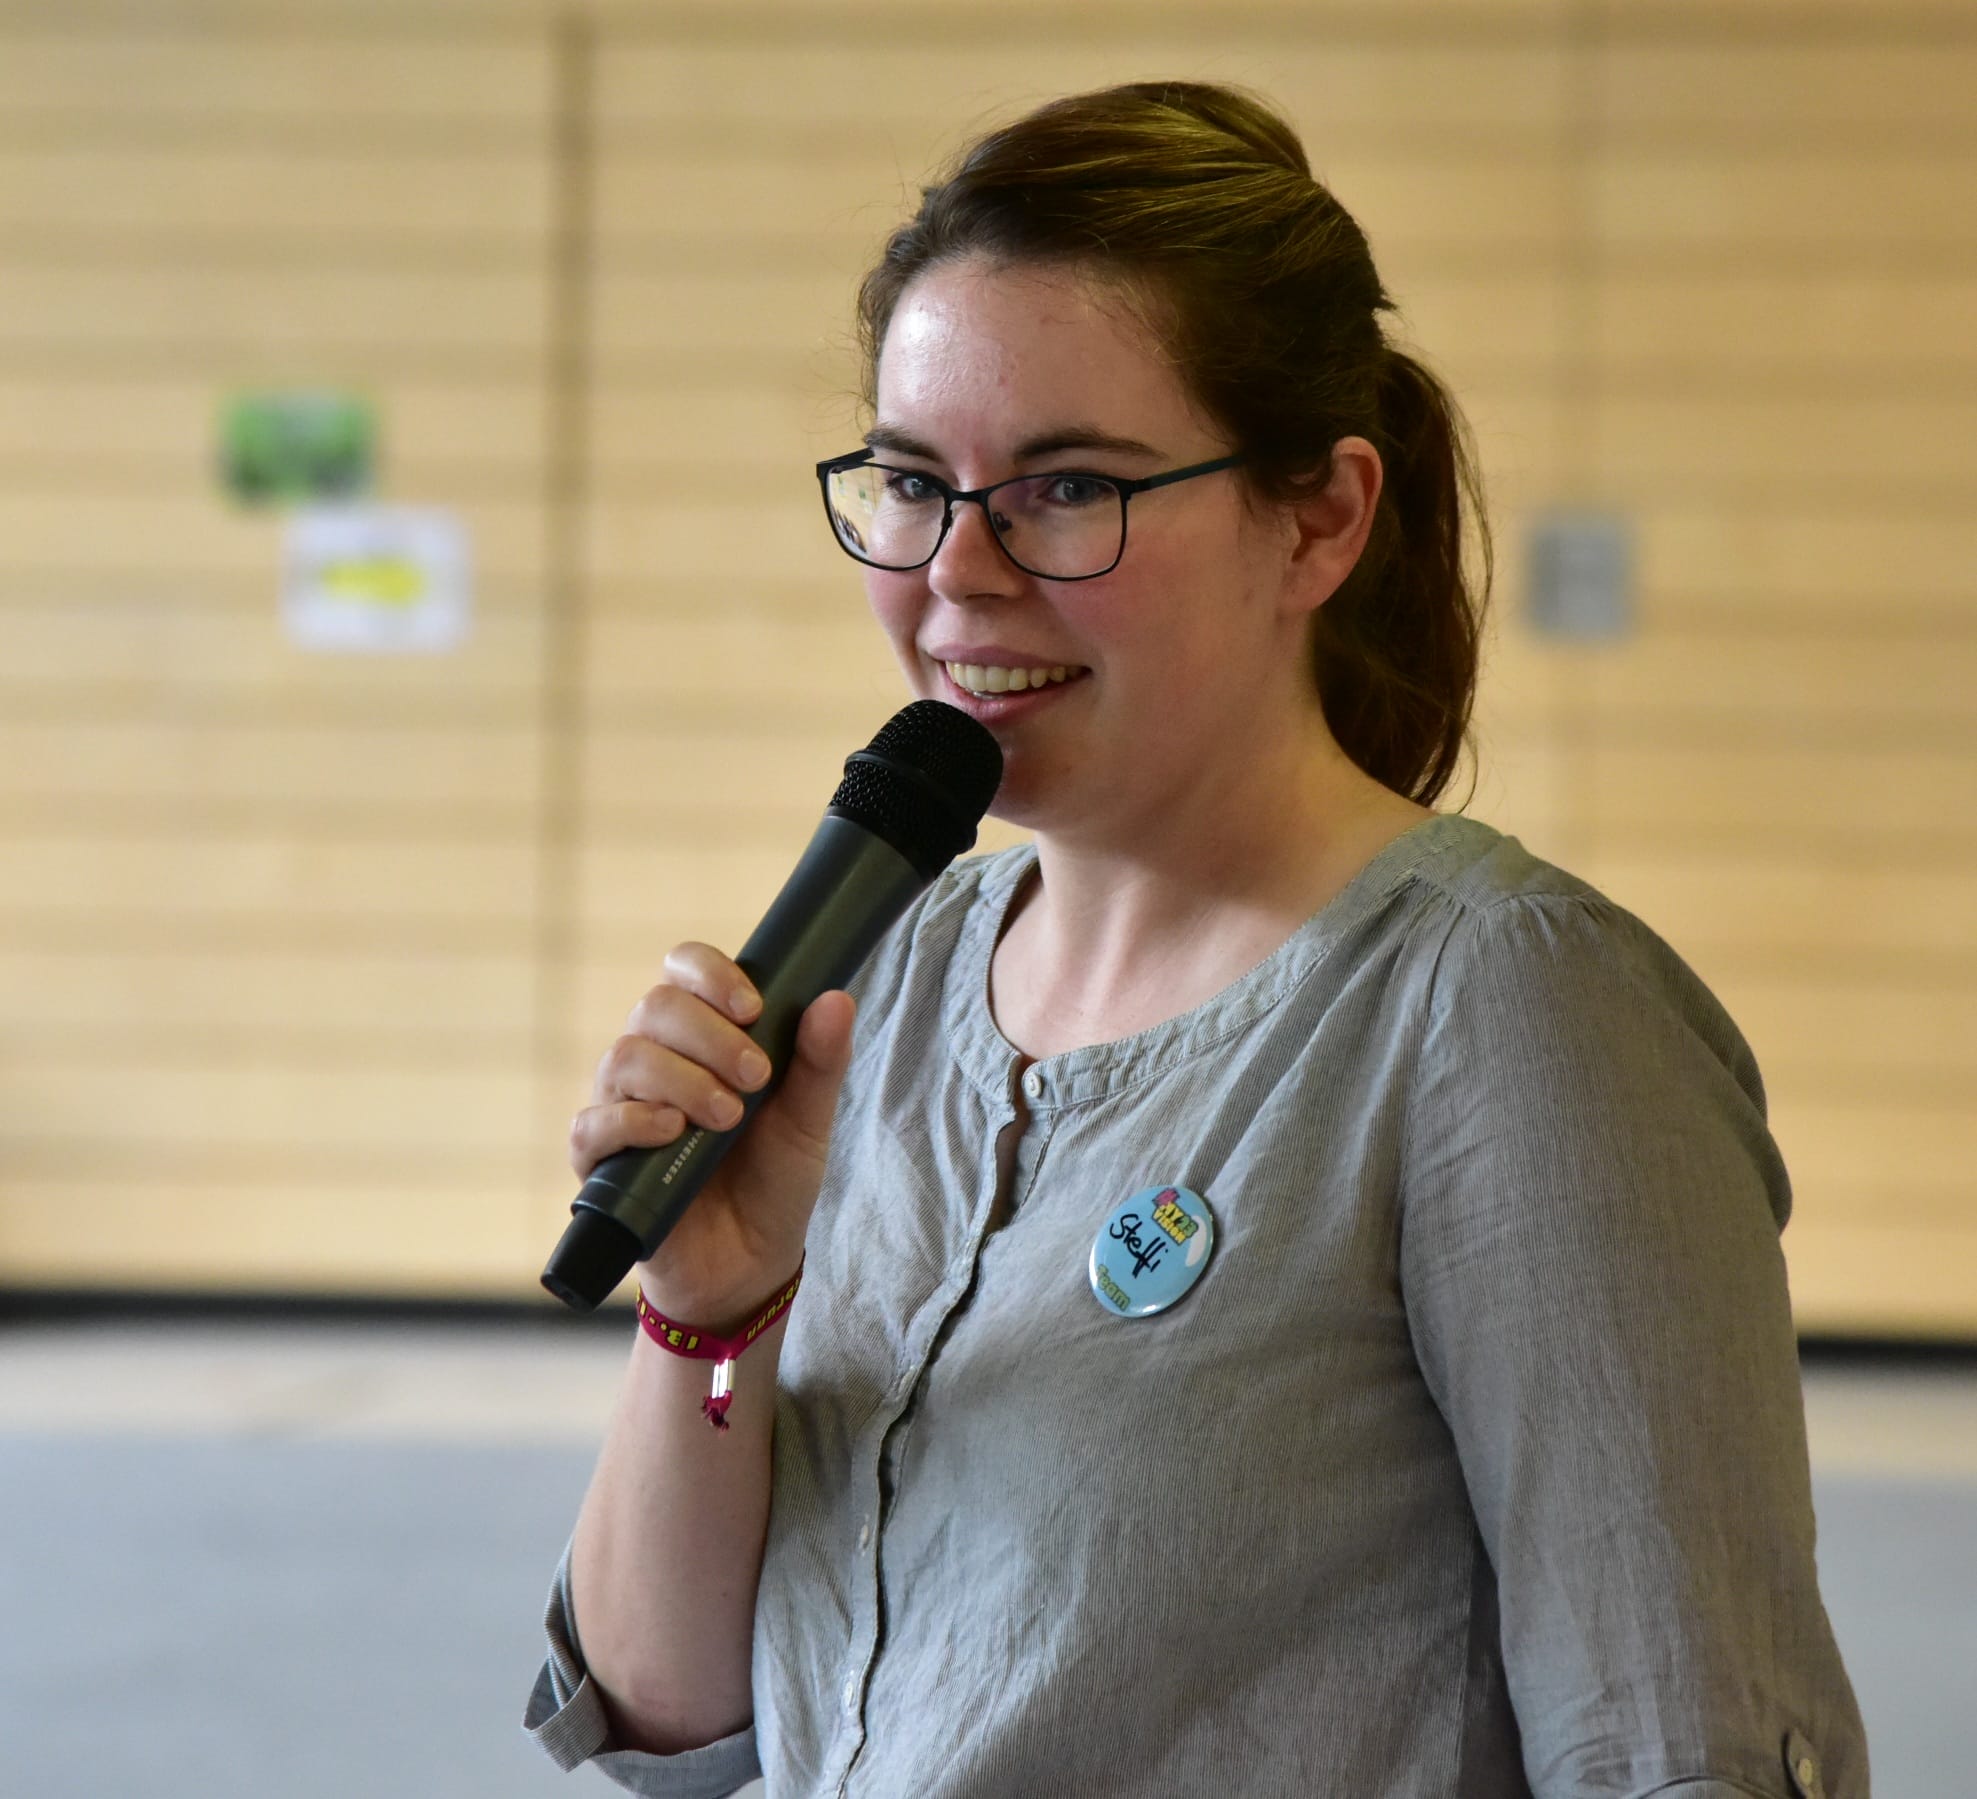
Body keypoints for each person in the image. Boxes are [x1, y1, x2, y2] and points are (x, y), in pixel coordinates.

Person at [526, 81, 1867, 1798]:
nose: (958, 574)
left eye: (1066, 486)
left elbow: (1680, 1746)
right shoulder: (892, 976)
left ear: (1317, 519)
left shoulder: (1505, 1008)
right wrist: (712, 1311)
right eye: (914, 482)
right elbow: (666, 1721)